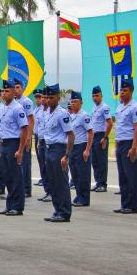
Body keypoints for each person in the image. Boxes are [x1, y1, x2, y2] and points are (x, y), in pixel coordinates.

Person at [42, 84, 74, 222]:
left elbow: (71, 135)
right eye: (47, 97)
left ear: (58, 98)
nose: (49, 100)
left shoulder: (62, 114)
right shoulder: (47, 113)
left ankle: (65, 212)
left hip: (59, 149)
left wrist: (66, 155)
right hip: (48, 149)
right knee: (53, 182)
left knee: (61, 182)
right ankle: (57, 210)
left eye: (52, 97)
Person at [0, 80, 29, 216]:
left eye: (7, 91)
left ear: (13, 92)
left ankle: (17, 206)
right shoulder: (3, 107)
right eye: (3, 91)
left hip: (14, 144)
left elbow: (24, 129)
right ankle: (9, 205)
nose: (4, 94)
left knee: (16, 177)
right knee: (7, 176)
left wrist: (20, 150)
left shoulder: (17, 108)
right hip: (4, 144)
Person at [114, 78, 137, 214]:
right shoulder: (119, 107)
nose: (122, 93)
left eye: (125, 90)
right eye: (121, 90)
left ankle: (133, 205)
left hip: (130, 143)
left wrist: (134, 148)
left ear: (131, 91)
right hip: (121, 143)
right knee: (123, 176)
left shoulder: (135, 107)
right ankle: (125, 203)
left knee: (132, 175)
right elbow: (119, 127)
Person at [69, 91, 93, 207]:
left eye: (75, 101)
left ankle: (84, 198)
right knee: (75, 173)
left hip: (81, 146)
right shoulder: (72, 116)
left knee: (83, 174)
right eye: (72, 101)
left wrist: (87, 149)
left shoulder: (84, 115)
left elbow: (90, 132)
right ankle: (79, 195)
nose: (73, 103)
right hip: (73, 147)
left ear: (81, 103)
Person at [13, 79, 34, 198]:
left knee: (25, 164)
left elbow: (31, 120)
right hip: (17, 136)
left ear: (22, 88)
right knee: (18, 163)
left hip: (24, 136)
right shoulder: (14, 102)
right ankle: (20, 187)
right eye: (14, 88)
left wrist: (28, 137)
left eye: (17, 87)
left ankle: (27, 189)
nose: (16, 90)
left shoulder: (26, 101)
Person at [90, 86, 113, 192]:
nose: (95, 98)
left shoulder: (104, 107)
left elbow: (110, 123)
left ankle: (103, 184)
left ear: (101, 96)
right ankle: (98, 182)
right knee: (94, 161)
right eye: (93, 96)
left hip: (101, 136)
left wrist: (105, 137)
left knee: (101, 161)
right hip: (94, 136)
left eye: (97, 96)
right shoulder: (94, 108)